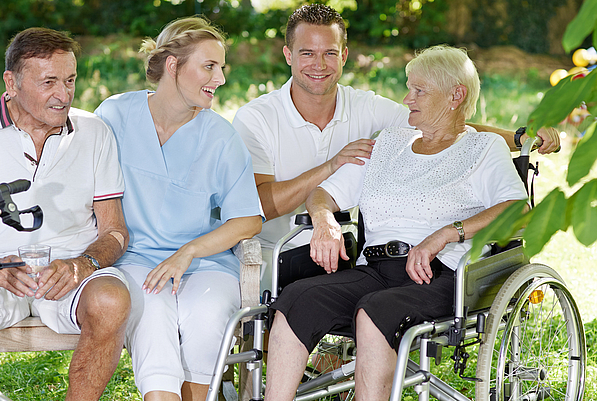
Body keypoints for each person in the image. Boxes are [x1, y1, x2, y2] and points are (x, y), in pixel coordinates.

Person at [231, 3, 559, 293]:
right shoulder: (257, 118)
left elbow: (446, 125)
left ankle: (334, 357)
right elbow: (257, 206)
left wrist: (519, 137)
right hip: (272, 250)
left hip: (347, 249)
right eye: (307, 53)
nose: (320, 64)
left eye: (330, 53)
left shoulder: (366, 107)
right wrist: (329, 170)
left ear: (344, 56)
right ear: (288, 55)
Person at [264, 44, 528, 401]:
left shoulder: (483, 149)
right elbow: (324, 194)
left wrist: (449, 233)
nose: (406, 98)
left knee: (376, 311)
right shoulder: (389, 143)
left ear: (456, 95)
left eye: (419, 90)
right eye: (409, 87)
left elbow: (517, 208)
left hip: (440, 274)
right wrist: (324, 221)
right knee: (298, 298)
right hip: (374, 269)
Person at [0, 28, 131, 401]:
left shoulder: (94, 132)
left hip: (69, 277)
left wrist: (80, 265)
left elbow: (115, 230)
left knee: (111, 299)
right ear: (12, 82)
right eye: (49, 82)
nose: (64, 94)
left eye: (70, 80)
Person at [94, 17, 263, 401]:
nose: (220, 78)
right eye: (209, 66)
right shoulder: (115, 115)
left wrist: (188, 251)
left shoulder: (221, 136)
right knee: (151, 315)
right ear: (173, 66)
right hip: (132, 258)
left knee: (205, 317)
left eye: (221, 67)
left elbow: (248, 218)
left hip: (205, 263)